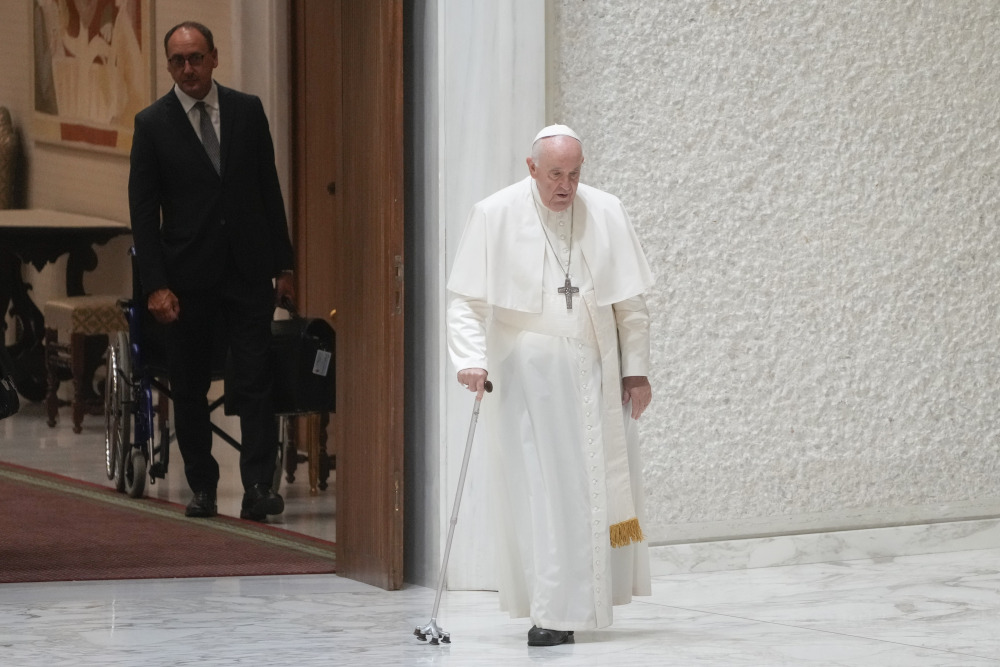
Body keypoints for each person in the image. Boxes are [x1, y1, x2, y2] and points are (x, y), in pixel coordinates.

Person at [446, 125, 655, 646]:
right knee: (544, 493)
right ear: (531, 167)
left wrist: (637, 371)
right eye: (556, 174)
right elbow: (466, 302)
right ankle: (552, 610)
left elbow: (630, 305)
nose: (566, 186)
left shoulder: (606, 210)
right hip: (527, 381)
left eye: (575, 174)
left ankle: (583, 605)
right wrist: (470, 360)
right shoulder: (493, 214)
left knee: (594, 493)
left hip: (597, 376)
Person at [128, 21, 294, 522]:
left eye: (196, 58)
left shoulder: (247, 110)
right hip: (185, 278)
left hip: (246, 271)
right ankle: (202, 485)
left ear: (215, 58)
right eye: (178, 61)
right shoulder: (152, 124)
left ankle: (258, 487)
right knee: (190, 383)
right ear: (168, 65)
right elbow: (143, 211)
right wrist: (155, 284)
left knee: (256, 378)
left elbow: (269, 189)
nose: (188, 69)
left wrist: (283, 263)